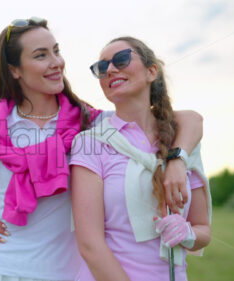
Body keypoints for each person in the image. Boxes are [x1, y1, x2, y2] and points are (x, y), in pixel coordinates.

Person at [0, 18, 203, 281]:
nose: (56, 62)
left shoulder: (89, 121)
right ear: (15, 70)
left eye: (56, 51)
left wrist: (177, 160)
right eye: (41, 55)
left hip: (62, 272)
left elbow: (187, 119)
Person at [70, 36, 212, 281]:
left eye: (121, 59)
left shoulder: (183, 142)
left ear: (151, 71)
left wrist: (187, 233)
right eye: (101, 68)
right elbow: (90, 246)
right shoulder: (90, 143)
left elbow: (203, 230)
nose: (111, 69)